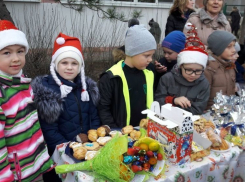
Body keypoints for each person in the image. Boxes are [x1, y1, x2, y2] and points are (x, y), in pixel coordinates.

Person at [31, 33, 101, 181]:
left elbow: (94, 117)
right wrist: (72, 146)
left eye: (74, 63)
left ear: (80, 66)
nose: (69, 67)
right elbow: (49, 131)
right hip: (59, 156)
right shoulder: (47, 91)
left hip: (86, 151)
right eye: (64, 63)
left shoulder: (86, 89)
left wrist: (92, 141)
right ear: (55, 64)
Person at [0, 20, 54, 182]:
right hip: (16, 175)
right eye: (7, 53)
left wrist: (45, 161)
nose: (16, 58)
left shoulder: (22, 82)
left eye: (20, 51)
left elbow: (33, 126)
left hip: (35, 167)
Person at [99, 25, 156, 128]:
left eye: (152, 55)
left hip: (143, 131)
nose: (150, 59)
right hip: (120, 134)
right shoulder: (111, 77)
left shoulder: (148, 73)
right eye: (147, 55)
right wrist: (114, 130)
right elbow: (103, 108)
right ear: (132, 52)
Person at [155, 32, 210, 115]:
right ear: (180, 66)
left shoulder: (203, 84)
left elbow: (198, 108)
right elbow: (158, 101)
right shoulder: (167, 79)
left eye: (198, 71)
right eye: (188, 70)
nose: (193, 74)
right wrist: (173, 100)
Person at [205, 31, 236, 109]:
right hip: (209, 114)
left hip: (226, 113)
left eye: (234, 46)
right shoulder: (209, 68)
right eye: (229, 47)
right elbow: (203, 96)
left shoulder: (230, 66)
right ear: (218, 48)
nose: (234, 50)